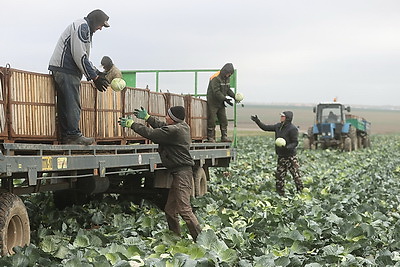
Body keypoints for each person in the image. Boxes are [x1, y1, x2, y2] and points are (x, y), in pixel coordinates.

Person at [118, 106, 202, 241]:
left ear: (173, 119)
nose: (166, 117)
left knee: (184, 210)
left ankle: (201, 239)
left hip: (182, 174)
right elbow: (163, 126)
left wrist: (132, 124)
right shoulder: (180, 126)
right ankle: (175, 238)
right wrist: (147, 118)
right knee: (170, 210)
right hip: (178, 173)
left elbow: (152, 134)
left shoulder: (175, 130)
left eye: (168, 115)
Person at [48, 9, 110, 145]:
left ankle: (67, 136)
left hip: (63, 69)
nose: (100, 28)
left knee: (65, 104)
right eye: (100, 25)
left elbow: (84, 57)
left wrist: (96, 72)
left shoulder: (83, 27)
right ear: (95, 21)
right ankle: (73, 135)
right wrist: (94, 77)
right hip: (66, 69)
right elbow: (79, 55)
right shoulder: (82, 27)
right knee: (73, 103)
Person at [251, 111, 304, 196]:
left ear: (287, 118)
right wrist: (257, 121)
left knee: (296, 176)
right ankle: (280, 194)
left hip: (291, 157)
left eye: (283, 116)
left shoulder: (292, 129)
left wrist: (287, 147)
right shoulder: (278, 126)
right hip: (281, 156)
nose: (281, 117)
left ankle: (301, 192)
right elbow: (265, 128)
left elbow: (295, 142)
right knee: (279, 177)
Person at [206, 63, 242, 142]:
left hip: (221, 102)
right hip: (213, 102)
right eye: (229, 73)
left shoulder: (227, 78)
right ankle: (210, 137)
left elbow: (228, 90)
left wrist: (234, 97)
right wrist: (225, 99)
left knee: (224, 120)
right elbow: (216, 92)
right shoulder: (215, 78)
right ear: (225, 71)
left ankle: (224, 137)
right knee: (212, 119)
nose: (229, 75)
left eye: (230, 74)